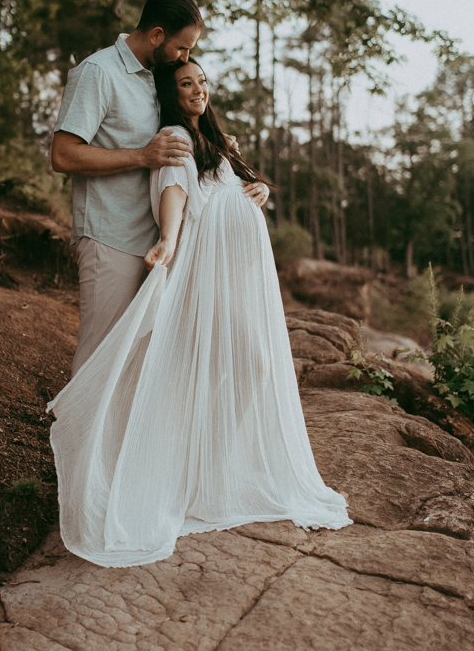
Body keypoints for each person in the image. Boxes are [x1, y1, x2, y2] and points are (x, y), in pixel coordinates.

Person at [47, 57, 352, 567]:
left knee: (250, 363)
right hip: (199, 276)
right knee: (212, 368)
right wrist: (167, 237)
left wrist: (258, 189)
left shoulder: (216, 141)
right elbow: (174, 187)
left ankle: (201, 470)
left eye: (203, 81)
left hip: (229, 278)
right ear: (171, 92)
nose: (198, 90)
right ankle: (166, 474)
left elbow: (230, 188)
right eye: (186, 83)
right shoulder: (174, 137)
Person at [50, 0, 202, 377]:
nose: (185, 58)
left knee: (133, 365)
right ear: (156, 35)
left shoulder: (157, 79)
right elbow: (63, 155)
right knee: (99, 359)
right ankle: (75, 438)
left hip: (153, 244)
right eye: (182, 48)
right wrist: (140, 155)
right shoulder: (98, 72)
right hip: (109, 237)